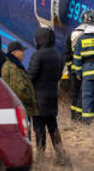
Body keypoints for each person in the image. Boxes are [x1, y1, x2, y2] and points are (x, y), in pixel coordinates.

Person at [28, 27, 68, 164]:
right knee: (53, 127)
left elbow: (32, 75)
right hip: (52, 95)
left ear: (40, 39)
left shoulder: (37, 55)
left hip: (38, 97)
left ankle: (40, 157)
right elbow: (58, 76)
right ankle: (61, 155)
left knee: (39, 128)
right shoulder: (57, 55)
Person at [2, 40, 38, 117]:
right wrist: (31, 100)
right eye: (21, 51)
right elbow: (20, 90)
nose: (23, 53)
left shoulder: (12, 65)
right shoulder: (13, 67)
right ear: (14, 52)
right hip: (22, 108)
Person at [64, 13, 89, 120]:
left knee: (74, 93)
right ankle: (79, 116)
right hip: (85, 69)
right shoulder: (91, 34)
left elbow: (67, 54)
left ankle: (73, 116)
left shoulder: (73, 33)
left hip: (74, 69)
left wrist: (69, 69)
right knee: (83, 93)